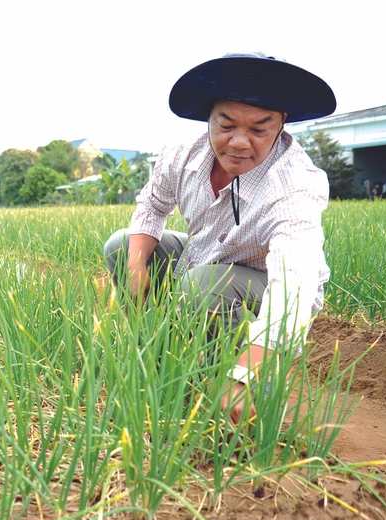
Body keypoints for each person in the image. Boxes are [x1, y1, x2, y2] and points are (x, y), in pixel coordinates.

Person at [103, 52, 336, 424]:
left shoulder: (295, 185)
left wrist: (244, 375)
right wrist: (135, 269)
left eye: (260, 129)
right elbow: (151, 206)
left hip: (261, 283)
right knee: (121, 245)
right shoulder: (181, 155)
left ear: (281, 125)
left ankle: (222, 381)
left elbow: (294, 287)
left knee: (203, 286)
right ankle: (158, 357)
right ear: (208, 118)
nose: (240, 142)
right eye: (226, 125)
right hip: (204, 259)